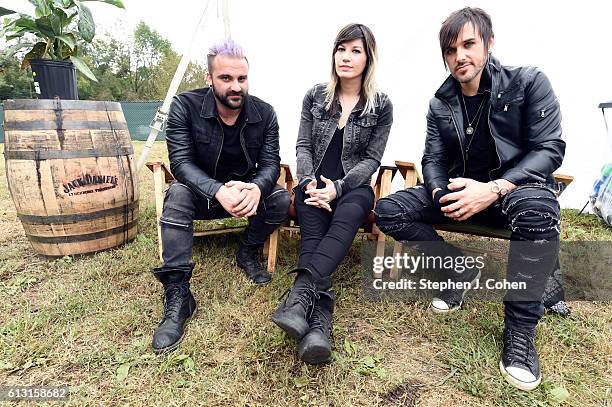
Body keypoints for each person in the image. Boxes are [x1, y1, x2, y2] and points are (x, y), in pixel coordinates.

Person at [375, 8, 565, 391]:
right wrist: (442, 193)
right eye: (450, 49)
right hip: (464, 194)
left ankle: (520, 334)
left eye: (468, 44)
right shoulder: (440, 103)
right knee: (388, 209)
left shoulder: (528, 83)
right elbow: (432, 159)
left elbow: (549, 149)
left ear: (489, 43)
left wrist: (493, 189)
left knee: (537, 210)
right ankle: (455, 268)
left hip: (514, 192)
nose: (459, 55)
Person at [151, 39, 290, 353]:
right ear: (209, 78)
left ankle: (246, 252)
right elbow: (181, 163)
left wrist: (255, 187)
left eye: (242, 78)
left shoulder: (265, 113)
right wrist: (216, 190)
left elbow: (270, 163)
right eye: (226, 78)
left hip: (243, 194)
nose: (236, 86)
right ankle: (178, 295)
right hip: (202, 193)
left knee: (280, 198)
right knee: (177, 194)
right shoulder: (184, 106)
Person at [271, 23, 393, 364]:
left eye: (356, 51)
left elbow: (372, 159)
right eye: (342, 49)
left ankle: (299, 295)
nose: (346, 57)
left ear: (368, 58)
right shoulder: (315, 95)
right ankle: (320, 322)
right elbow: (303, 144)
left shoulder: (381, 105)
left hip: (353, 188)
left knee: (348, 213)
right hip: (313, 183)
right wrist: (309, 181)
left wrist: (338, 188)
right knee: (312, 226)